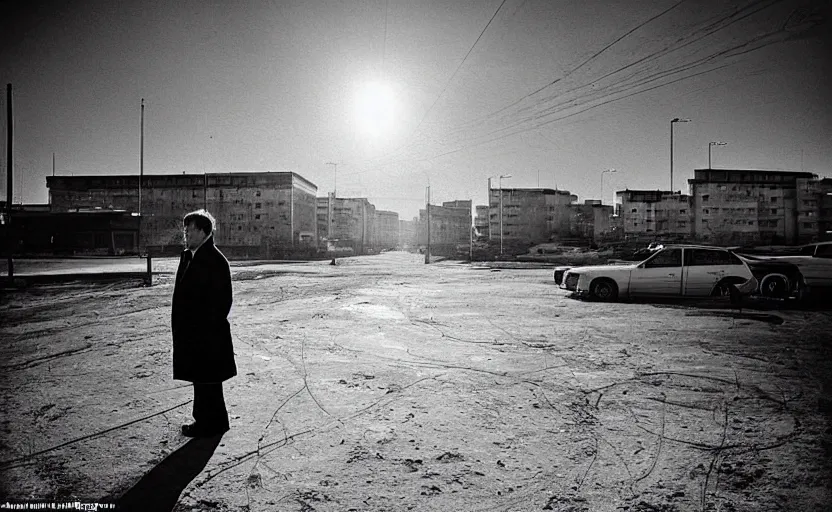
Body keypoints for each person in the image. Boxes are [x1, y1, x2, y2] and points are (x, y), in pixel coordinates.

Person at [171, 209, 237, 437]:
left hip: (207, 335)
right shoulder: (190, 256)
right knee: (202, 380)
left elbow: (223, 301)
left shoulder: (215, 260)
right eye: (185, 230)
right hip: (194, 333)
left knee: (208, 381)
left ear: (203, 231)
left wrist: (204, 329)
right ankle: (210, 422)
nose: (185, 235)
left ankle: (211, 424)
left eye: (190, 231)